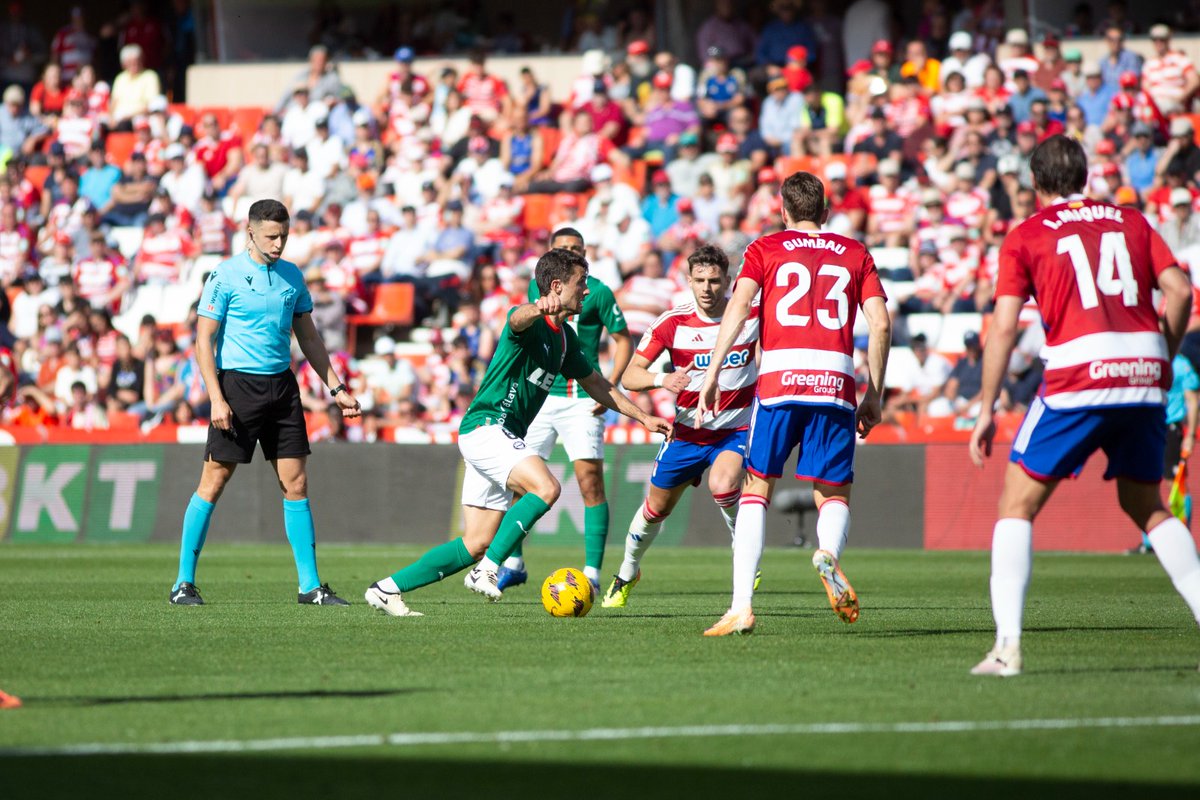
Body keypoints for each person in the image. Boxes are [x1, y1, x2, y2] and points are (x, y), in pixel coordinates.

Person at [968, 135, 1200, 676]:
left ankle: (1007, 648)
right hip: (1144, 371)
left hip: (1080, 371)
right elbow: (1181, 292)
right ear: (1086, 175)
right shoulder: (1133, 221)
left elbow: (1004, 326)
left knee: (1016, 505)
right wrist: (1159, 360)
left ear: (1035, 184)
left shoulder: (1026, 234)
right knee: (1146, 505)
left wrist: (984, 409)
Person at [363, 248, 671, 617]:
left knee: (477, 541)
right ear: (557, 286)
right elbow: (517, 319)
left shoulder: (564, 340)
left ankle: (386, 589)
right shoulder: (528, 321)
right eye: (581, 284)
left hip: (500, 436)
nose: (586, 292)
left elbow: (597, 384)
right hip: (487, 427)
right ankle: (489, 570)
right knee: (547, 487)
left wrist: (642, 417)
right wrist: (540, 307)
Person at [697, 171, 891, 635]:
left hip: (780, 380)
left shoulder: (764, 249)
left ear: (782, 210)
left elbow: (739, 307)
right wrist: (875, 395)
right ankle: (828, 553)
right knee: (833, 492)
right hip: (835, 381)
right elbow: (880, 325)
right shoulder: (855, 253)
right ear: (826, 212)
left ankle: (741, 605)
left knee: (755, 490)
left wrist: (713, 372)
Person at [169, 199, 361, 607]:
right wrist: (216, 398)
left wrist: (336, 388)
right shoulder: (225, 275)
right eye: (272, 236)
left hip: (282, 389)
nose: (279, 244)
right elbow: (203, 340)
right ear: (250, 232)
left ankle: (309, 587)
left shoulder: (293, 276)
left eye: (284, 236)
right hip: (237, 388)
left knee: (297, 484)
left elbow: (309, 337)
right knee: (214, 482)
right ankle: (183, 583)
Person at [603, 244, 759, 607]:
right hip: (687, 433)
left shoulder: (750, 317)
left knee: (724, 486)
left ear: (729, 281)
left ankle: (744, 552)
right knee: (654, 510)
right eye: (700, 280)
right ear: (688, 280)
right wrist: (663, 380)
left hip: (735, 430)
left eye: (715, 280)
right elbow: (631, 375)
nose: (707, 288)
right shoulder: (673, 323)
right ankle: (627, 572)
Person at [499, 228, 633, 594]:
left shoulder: (598, 291)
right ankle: (513, 562)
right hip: (540, 396)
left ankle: (591, 572)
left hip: (580, 397)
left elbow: (624, 340)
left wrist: (613, 382)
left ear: (585, 253)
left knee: (590, 482)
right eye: (564, 248)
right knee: (519, 482)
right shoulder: (536, 290)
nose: (570, 252)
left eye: (576, 249)